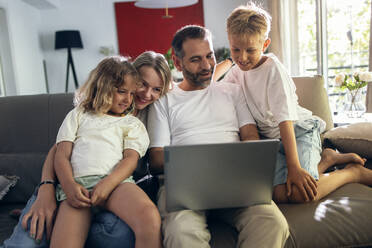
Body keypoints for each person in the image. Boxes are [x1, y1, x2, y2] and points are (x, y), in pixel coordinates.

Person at [2, 51, 172, 248]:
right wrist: (53, 188)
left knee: (129, 231)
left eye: (157, 89)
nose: (145, 94)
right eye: (141, 84)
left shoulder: (140, 121)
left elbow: (130, 159)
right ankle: (40, 213)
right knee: (32, 240)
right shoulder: (81, 114)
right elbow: (59, 152)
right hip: (71, 185)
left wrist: (108, 184)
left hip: (116, 185)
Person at [147, 25, 289, 248]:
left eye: (210, 56)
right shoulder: (165, 100)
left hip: (234, 182)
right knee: (181, 232)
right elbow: (155, 160)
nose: (206, 66)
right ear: (177, 62)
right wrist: (200, 162)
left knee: (272, 222)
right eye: (195, 60)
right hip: (185, 189)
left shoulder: (232, 91)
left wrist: (245, 158)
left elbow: (250, 135)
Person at [219, 3, 372, 203]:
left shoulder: (273, 70)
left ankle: (353, 173)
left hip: (298, 131)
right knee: (278, 193)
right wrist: (221, 67)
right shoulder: (237, 72)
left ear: (265, 45)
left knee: (301, 193)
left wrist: (294, 168)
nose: (242, 57)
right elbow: (217, 89)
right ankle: (327, 160)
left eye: (250, 50)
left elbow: (286, 122)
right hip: (272, 142)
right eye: (235, 49)